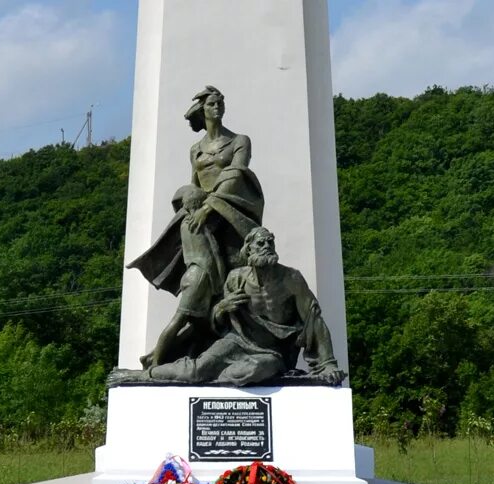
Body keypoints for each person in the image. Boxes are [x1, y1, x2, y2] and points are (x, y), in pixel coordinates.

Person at [128, 86, 266, 367]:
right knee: (202, 285)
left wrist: (209, 207)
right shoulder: (196, 149)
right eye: (213, 104)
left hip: (229, 217)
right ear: (203, 111)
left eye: (221, 103)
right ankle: (179, 352)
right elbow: (193, 184)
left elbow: (236, 175)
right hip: (199, 220)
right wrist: (194, 206)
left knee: (234, 279)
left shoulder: (240, 140)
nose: (218, 108)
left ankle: (241, 342)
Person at [111, 227, 346, 387]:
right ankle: (142, 375)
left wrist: (328, 365)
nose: (267, 246)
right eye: (261, 243)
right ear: (249, 250)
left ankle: (223, 375)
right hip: (237, 342)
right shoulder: (236, 278)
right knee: (196, 369)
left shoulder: (291, 278)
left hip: (271, 352)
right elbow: (217, 322)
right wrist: (221, 308)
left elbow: (313, 318)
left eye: (270, 242)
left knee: (246, 372)